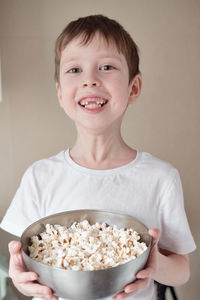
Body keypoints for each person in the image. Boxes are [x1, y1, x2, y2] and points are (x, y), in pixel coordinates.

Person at [0, 15, 196, 300]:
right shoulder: (39, 176)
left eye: (106, 67)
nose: (90, 80)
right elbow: (25, 270)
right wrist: (21, 279)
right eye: (75, 69)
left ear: (134, 88)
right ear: (60, 93)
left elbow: (182, 270)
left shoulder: (160, 178)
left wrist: (155, 265)